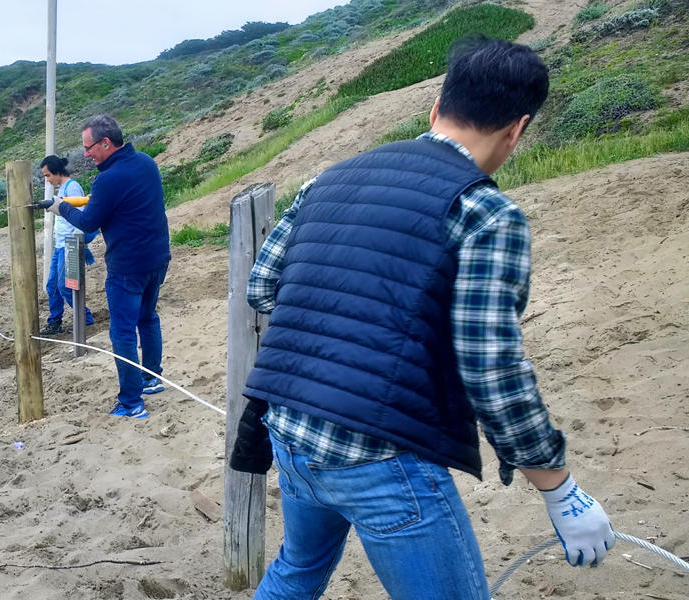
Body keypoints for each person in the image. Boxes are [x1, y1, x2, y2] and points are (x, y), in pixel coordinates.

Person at [235, 36, 614, 599]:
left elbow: (262, 285)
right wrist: (557, 488)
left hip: (290, 430)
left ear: (436, 109)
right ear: (517, 129)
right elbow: (491, 370)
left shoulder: (326, 181)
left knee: (296, 571)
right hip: (379, 455)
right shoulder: (486, 213)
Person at [49, 115, 170, 419]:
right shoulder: (145, 162)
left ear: (106, 143)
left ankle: (131, 402)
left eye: (89, 148)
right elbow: (119, 203)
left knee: (123, 333)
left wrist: (60, 207)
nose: (86, 154)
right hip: (157, 259)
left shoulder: (108, 179)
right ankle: (151, 378)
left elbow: (88, 222)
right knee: (147, 318)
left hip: (127, 266)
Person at [39, 154, 96, 335]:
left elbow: (79, 217)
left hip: (70, 243)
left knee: (65, 285)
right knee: (53, 285)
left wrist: (78, 244)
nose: (47, 180)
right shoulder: (63, 188)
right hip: (60, 244)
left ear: (57, 171)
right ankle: (54, 321)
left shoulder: (72, 188)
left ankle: (84, 318)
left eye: (48, 175)